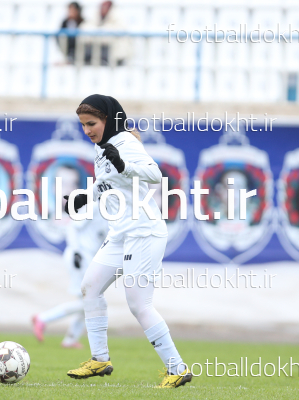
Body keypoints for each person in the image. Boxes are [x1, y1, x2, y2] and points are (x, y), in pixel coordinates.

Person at [63, 94, 192, 388]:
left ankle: (178, 368)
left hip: (143, 232)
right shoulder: (101, 148)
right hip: (120, 233)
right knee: (90, 288)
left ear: (108, 119)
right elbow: (107, 183)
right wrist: (83, 198)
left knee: (138, 304)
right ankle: (99, 359)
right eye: (83, 125)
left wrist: (124, 165)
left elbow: (154, 174)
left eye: (91, 123)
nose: (87, 130)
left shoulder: (126, 143)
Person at [32, 200, 108, 348]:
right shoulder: (94, 207)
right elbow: (72, 227)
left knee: (88, 302)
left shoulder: (112, 213)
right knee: (92, 301)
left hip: (89, 259)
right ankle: (43, 318)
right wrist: (76, 252)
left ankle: (70, 339)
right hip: (80, 257)